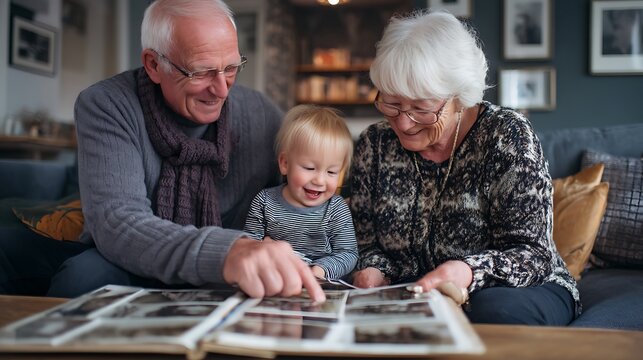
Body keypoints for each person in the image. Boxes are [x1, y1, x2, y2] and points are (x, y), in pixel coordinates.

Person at [44, 0, 325, 302]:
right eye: (201, 72)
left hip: (239, 268)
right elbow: (118, 222)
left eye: (231, 68)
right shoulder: (107, 104)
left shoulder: (262, 113)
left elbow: (299, 200)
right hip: (140, 260)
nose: (221, 90)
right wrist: (226, 251)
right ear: (154, 64)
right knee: (81, 278)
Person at [349, 10, 579, 325]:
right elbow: (366, 241)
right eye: (391, 103)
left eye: (421, 108)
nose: (403, 122)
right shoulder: (373, 145)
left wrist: (468, 272)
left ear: (460, 97)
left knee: (495, 310)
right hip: (414, 294)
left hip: (517, 289)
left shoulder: (505, 135)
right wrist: (374, 270)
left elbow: (532, 254)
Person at [243, 105, 358, 281]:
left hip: (321, 284)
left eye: (332, 172)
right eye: (309, 168)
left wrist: (319, 271)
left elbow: (348, 254)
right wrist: (262, 249)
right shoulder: (264, 201)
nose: (319, 180)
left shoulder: (336, 209)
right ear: (285, 163)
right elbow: (247, 245)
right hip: (275, 280)